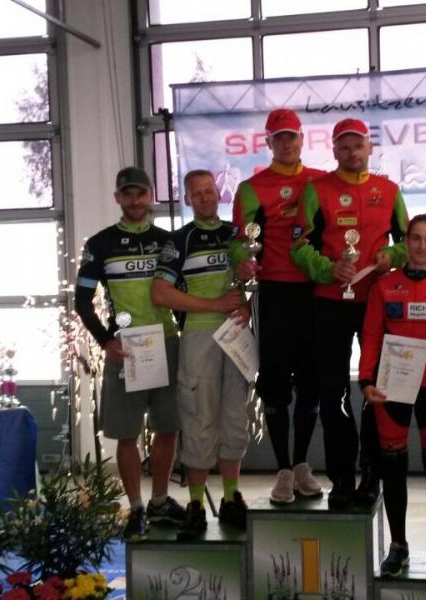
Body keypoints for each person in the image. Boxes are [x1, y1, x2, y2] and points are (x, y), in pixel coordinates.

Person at [291, 117, 409, 508]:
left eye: (358, 145)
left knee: (377, 389)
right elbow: (298, 246)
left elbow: (408, 242)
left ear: (370, 148)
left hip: (377, 303)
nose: (352, 152)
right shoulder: (317, 189)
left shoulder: (389, 191)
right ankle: (341, 478)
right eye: (343, 146)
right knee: (334, 393)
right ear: (334, 151)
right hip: (330, 303)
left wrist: (392, 254)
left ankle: (372, 473)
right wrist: (328, 269)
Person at [75, 166, 185, 540]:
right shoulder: (100, 243)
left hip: (167, 342)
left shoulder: (168, 242)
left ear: (151, 196)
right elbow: (82, 301)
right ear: (118, 198)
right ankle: (136, 508)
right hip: (127, 348)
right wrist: (106, 340)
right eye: (128, 194)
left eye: (141, 193)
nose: (135, 200)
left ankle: (160, 501)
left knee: (168, 427)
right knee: (127, 433)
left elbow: (182, 292)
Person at [359, 214, 426, 580]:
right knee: (393, 469)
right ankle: (398, 546)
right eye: (416, 238)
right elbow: (371, 336)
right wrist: (365, 380)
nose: (422, 246)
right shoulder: (384, 286)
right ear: (406, 240)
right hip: (392, 387)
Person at [232, 108, 326, 504]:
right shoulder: (251, 188)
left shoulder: (321, 181)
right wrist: (242, 260)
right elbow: (240, 240)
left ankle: (302, 463)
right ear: (268, 142)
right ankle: (283, 468)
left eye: (292, 136)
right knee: (274, 386)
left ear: (302, 139)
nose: (286, 143)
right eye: (279, 137)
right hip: (272, 294)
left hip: (315, 294)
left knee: (311, 384)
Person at [151, 169, 250, 537]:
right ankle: (195, 504)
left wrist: (245, 306)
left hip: (237, 335)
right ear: (188, 198)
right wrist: (215, 304)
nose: (207, 197)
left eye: (210, 190)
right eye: (199, 193)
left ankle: (231, 498)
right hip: (198, 336)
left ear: (218, 192)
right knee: (198, 418)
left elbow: (249, 283)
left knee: (234, 417)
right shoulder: (179, 240)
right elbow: (160, 293)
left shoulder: (237, 234)